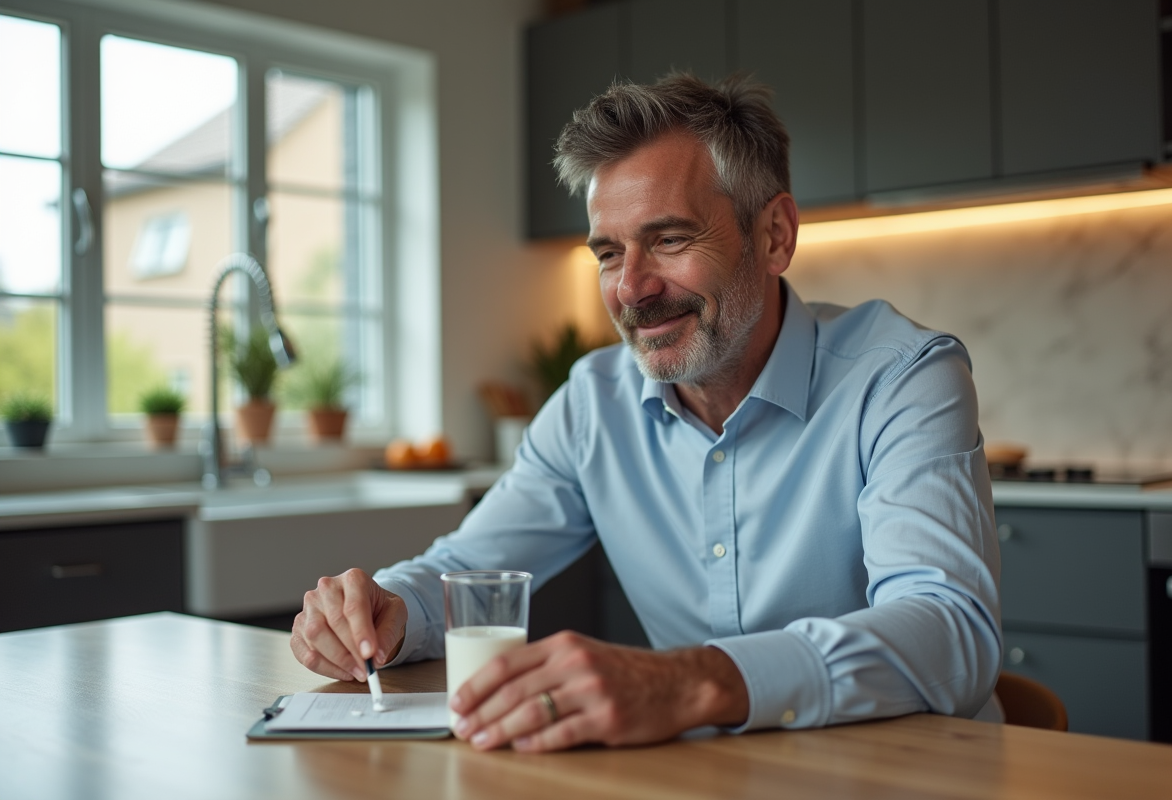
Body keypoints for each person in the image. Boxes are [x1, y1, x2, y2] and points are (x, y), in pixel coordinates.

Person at [291, 73, 1002, 753]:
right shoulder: (591, 404)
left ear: (775, 235)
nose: (632, 288)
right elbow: (472, 568)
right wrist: (390, 609)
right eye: (608, 252)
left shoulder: (901, 376)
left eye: (669, 239)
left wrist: (691, 682)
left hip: (913, 772)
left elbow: (949, 631)